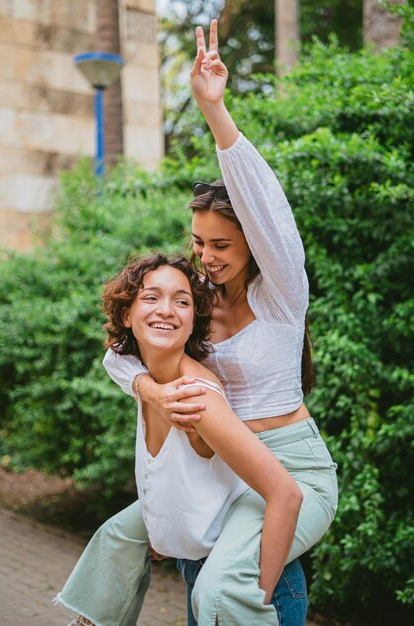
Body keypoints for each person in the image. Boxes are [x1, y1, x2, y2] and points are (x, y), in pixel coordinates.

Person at [56, 19, 338, 626]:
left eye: (221, 245)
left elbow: (266, 206)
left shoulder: (282, 293)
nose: (206, 257)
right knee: (120, 533)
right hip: (220, 466)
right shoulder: (196, 302)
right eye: (198, 242)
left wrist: (214, 109)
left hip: (290, 468)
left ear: (253, 243)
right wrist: (151, 389)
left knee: (223, 590)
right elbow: (121, 352)